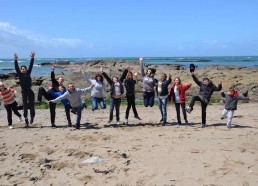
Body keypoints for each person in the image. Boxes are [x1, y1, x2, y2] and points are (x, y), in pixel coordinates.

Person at [14, 52, 35, 127]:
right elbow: (16, 67)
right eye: (22, 69)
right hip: (24, 92)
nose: (23, 70)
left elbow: (31, 65)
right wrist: (15, 60)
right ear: (21, 70)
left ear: (26, 69)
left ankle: (32, 117)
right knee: (25, 106)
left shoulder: (28, 72)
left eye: (24, 69)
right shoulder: (20, 74)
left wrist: (32, 57)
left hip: (30, 91)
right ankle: (26, 118)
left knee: (32, 105)